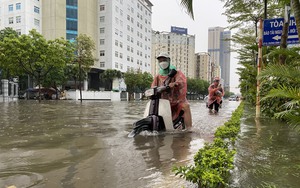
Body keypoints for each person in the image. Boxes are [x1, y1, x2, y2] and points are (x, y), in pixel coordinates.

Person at [151, 52, 192, 129]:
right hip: (164, 102)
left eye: (164, 60)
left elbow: (182, 82)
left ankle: (189, 129)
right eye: (160, 61)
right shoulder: (158, 76)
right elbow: (153, 86)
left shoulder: (176, 73)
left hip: (177, 102)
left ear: (169, 60)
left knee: (186, 106)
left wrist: (175, 84)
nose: (162, 62)